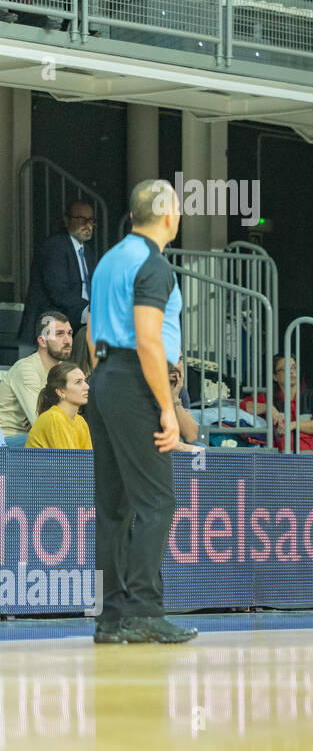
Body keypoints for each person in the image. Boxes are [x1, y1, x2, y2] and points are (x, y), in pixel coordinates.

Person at [85, 179, 196, 644]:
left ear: (132, 215)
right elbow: (150, 339)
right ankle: (145, 610)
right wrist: (167, 409)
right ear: (169, 216)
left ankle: (111, 617)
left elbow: (90, 331)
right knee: (157, 502)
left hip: (104, 378)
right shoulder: (154, 266)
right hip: (136, 379)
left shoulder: (109, 259)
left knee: (113, 506)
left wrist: (104, 378)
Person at [18, 200, 98, 344]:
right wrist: (90, 311)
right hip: (45, 333)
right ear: (66, 221)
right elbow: (58, 293)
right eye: (81, 219)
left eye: (91, 220)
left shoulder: (88, 252)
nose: (88, 224)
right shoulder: (55, 247)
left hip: (74, 329)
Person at [0, 310, 73, 445]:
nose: (67, 340)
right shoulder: (26, 369)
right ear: (42, 341)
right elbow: (42, 422)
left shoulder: (65, 370)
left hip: (32, 437)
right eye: (59, 334)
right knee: (51, 440)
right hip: (8, 440)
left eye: (69, 333)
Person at [25, 361, 91, 450]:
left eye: (85, 381)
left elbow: (88, 460)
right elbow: (68, 462)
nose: (87, 386)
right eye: (78, 382)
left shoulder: (80, 421)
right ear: (60, 392)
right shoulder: (53, 418)